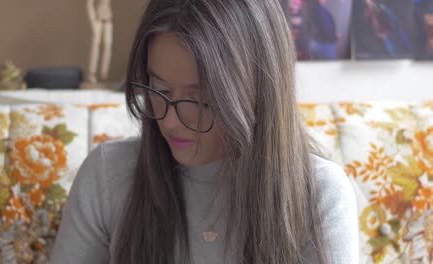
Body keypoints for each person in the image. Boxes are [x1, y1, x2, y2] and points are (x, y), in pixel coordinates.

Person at [50, 0, 358, 263]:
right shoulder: (107, 175)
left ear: (258, 93)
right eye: (158, 89)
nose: (170, 122)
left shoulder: (321, 195)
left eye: (200, 100)